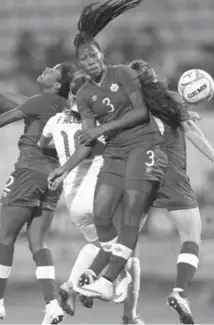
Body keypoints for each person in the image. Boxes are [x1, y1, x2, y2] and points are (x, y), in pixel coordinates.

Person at [48, 0, 171, 304]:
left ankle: (108, 277)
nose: (89, 60)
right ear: (79, 64)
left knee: (129, 215)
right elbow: (87, 139)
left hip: (144, 145)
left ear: (102, 55)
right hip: (116, 151)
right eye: (84, 58)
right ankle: (118, 272)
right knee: (102, 214)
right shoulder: (86, 94)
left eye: (93, 54)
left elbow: (141, 112)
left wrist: (101, 129)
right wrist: (64, 169)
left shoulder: (122, 75)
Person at [128, 59, 214, 324]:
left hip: (139, 175)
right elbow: (191, 131)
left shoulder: (127, 105)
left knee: (127, 243)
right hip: (170, 173)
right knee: (191, 236)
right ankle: (180, 292)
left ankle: (120, 302)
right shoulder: (167, 97)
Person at [42, 72, 144, 324]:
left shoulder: (54, 120)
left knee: (101, 246)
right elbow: (95, 146)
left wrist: (62, 164)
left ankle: (71, 286)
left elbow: (43, 145)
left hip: (72, 198)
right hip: (96, 189)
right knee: (125, 247)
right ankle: (119, 287)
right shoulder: (95, 120)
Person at [0, 63, 75, 324]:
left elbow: (5, 118)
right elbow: (24, 101)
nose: (45, 67)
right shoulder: (63, 104)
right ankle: (52, 305)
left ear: (56, 84)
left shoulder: (40, 101)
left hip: (28, 171)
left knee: (4, 237)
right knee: (38, 242)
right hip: (54, 177)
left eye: (53, 69)